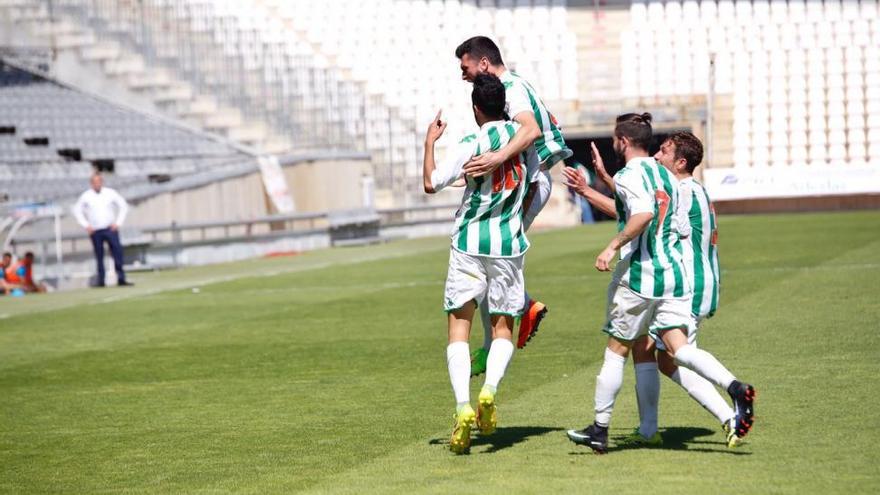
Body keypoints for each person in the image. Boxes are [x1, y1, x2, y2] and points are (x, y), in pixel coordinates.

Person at [564, 114, 755, 454]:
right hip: (675, 279)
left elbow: (643, 215)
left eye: (667, 150)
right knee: (660, 352)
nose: (660, 154)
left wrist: (612, 246)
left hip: (651, 276)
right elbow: (642, 208)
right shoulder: (669, 179)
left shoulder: (654, 178)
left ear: (621, 141)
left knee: (619, 350)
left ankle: (600, 428)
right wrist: (600, 183)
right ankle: (729, 391)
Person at [423, 74, 538, 454]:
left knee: (459, 331)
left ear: (476, 108)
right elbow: (532, 181)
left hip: (469, 243)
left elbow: (432, 182)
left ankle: (462, 408)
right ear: (504, 103)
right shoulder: (522, 140)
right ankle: (489, 390)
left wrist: (429, 143)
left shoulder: (472, 142)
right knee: (502, 327)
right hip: (508, 244)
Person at [455, 35, 573, 374]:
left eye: (466, 68)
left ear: (482, 63)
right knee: (486, 259)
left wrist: (496, 159)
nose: (463, 75)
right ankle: (502, 333)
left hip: (527, 185)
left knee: (487, 257)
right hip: (520, 183)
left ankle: (521, 310)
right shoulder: (515, 85)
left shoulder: (511, 87)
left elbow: (531, 128)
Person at [72, 174, 133, 287]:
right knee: (99, 256)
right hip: (95, 231)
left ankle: (121, 278)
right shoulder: (86, 196)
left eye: (99, 181)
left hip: (110, 229)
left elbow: (123, 206)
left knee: (117, 253)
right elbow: (76, 210)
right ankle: (101, 280)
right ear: (91, 183)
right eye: (94, 182)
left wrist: (118, 223)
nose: (97, 184)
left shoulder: (110, 193)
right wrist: (86, 225)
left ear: (102, 182)